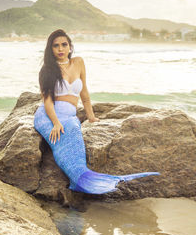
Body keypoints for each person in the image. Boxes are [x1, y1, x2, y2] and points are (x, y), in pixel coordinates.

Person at [34, 29, 159, 194]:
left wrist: (91, 116)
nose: (60, 49)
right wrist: (56, 123)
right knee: (61, 138)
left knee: (73, 127)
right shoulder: (47, 71)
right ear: (50, 49)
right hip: (48, 115)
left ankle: (82, 177)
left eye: (64, 44)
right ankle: (79, 179)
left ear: (70, 47)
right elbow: (48, 101)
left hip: (70, 115)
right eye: (55, 46)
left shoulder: (78, 62)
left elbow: (84, 92)